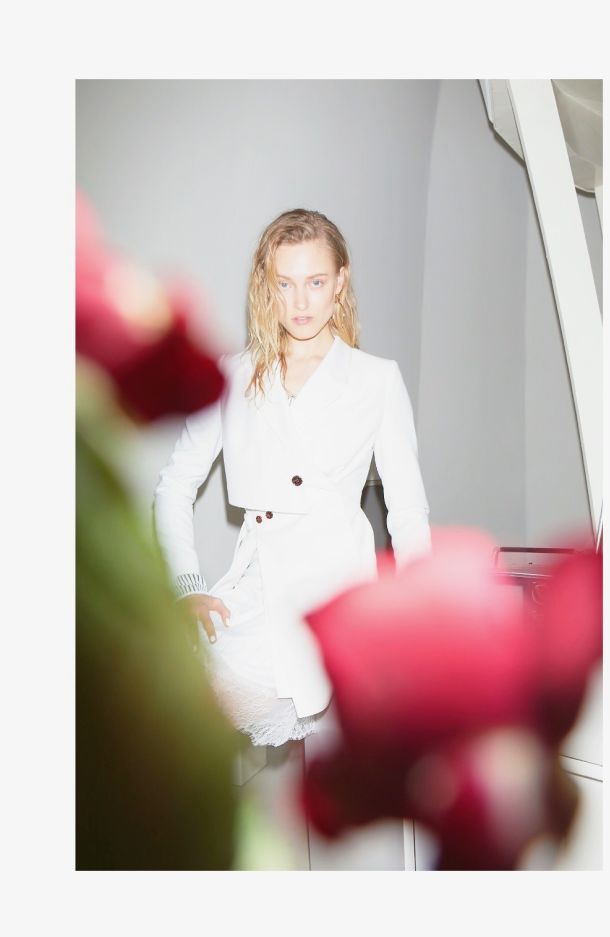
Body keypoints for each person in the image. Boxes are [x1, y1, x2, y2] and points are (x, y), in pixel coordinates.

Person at [153, 208, 431, 748]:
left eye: (316, 282)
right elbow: (175, 484)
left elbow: (407, 511)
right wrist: (187, 586)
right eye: (285, 283)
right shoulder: (233, 375)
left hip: (341, 594)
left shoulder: (376, 380)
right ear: (267, 285)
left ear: (340, 282)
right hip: (255, 591)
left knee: (343, 768)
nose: (300, 302)